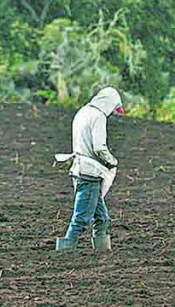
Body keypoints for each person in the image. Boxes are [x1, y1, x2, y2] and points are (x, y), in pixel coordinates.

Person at [55, 87, 124, 252]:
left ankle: (102, 250)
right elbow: (99, 147)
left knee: (102, 218)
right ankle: (64, 250)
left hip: (79, 168)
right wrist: (112, 161)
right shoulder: (98, 116)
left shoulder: (83, 112)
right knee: (81, 218)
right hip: (90, 173)